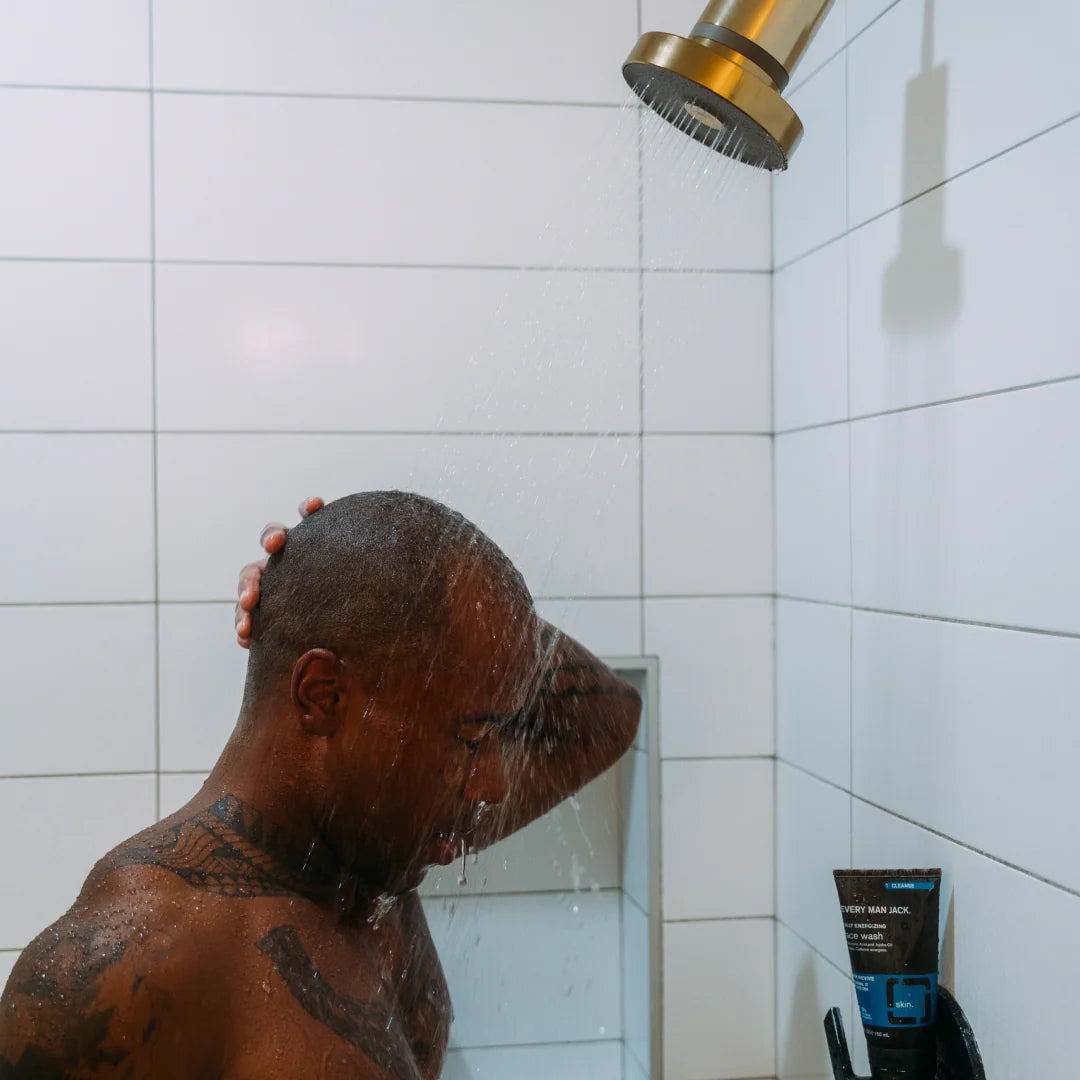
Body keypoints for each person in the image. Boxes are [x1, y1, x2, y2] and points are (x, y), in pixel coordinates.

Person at [0, 492, 641, 1079]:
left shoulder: (374, 862)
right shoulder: (123, 969)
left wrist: (358, 581)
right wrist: (346, 588)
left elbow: (606, 715)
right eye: (471, 738)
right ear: (322, 695)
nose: (495, 783)